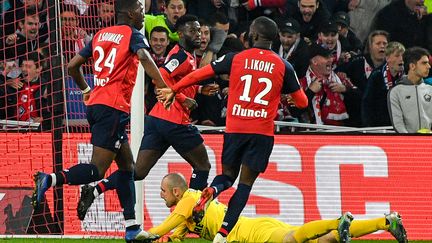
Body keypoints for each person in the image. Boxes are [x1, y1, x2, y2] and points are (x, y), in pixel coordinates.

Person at [157, 16, 309, 243]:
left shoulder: (235, 58)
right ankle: (223, 234)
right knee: (245, 184)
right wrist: (286, 98)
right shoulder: (283, 65)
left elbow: (200, 74)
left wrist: (174, 88)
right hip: (261, 132)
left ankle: (211, 191)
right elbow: (303, 102)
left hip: (235, 128)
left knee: (227, 176)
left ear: (253, 36)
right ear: (274, 39)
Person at [32, 0, 167, 241]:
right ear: (130, 13)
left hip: (97, 105)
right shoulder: (133, 35)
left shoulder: (100, 34)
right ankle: (49, 179)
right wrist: (164, 87)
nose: (142, 14)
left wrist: (85, 89)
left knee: (127, 167)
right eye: (140, 9)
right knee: (97, 169)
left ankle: (132, 228)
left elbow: (73, 66)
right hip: (113, 108)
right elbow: (145, 57)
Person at [76, 15, 218, 221]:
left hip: (156, 120)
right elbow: (161, 74)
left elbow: (175, 79)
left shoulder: (186, 56)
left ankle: (96, 190)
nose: (198, 35)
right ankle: (192, 212)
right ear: (179, 34)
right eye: (193, 30)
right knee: (203, 165)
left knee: (138, 171)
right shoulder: (181, 56)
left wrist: (199, 89)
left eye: (200, 31)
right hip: (175, 121)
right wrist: (183, 97)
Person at [141, 173, 408, 243]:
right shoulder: (185, 214)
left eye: (163, 191)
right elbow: (172, 234)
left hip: (247, 233)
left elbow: (168, 225)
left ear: (176, 191)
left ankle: (339, 220)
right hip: (253, 228)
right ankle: (386, 223)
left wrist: (147, 233)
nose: (160, 195)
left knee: (293, 239)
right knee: (324, 242)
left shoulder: (189, 197)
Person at [299, 44, 356, 126]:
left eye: (331, 56)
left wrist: (345, 90)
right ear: (314, 61)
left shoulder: (341, 79)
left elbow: (362, 100)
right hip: (310, 134)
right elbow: (294, 111)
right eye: (326, 57)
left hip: (341, 133)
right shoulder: (301, 83)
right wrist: (310, 92)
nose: (331, 59)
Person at [388, 47, 432, 133]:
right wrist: (411, 140)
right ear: (412, 66)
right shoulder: (396, 92)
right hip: (408, 144)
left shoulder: (430, 89)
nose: (429, 66)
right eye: (424, 63)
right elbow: (398, 124)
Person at [362, 42, 405, 127]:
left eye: (402, 56)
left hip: (399, 124)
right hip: (379, 125)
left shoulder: (405, 76)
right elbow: (367, 103)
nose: (401, 59)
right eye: (397, 56)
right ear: (388, 58)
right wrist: (368, 127)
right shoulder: (377, 75)